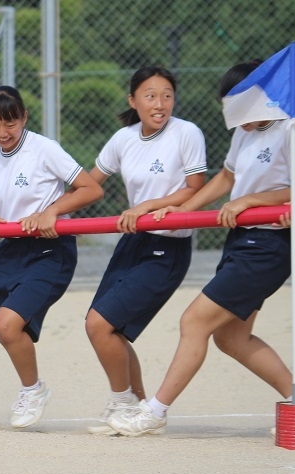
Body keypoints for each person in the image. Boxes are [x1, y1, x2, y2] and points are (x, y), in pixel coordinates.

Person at [107, 60, 292, 436]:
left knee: (193, 321)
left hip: (269, 244)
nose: (234, 117)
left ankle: (154, 412)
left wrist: (253, 200)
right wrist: (182, 209)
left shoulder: (289, 127)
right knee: (231, 337)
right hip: (241, 240)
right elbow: (227, 176)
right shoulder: (245, 131)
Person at [0, 85, 104, 430]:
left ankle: (33, 390)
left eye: (9, 124)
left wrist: (52, 212)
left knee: (7, 324)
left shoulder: (45, 149)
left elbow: (92, 188)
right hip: (9, 249)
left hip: (50, 249)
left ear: (24, 118)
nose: (2, 133)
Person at [84, 66, 207, 434]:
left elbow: (195, 188)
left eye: (167, 95)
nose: (160, 104)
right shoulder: (123, 138)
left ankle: (123, 401)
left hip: (167, 245)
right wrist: (51, 209)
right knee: (109, 330)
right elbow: (90, 181)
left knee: (98, 324)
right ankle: (134, 408)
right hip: (133, 240)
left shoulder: (186, 133)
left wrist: (148, 206)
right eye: (151, 96)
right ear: (133, 100)